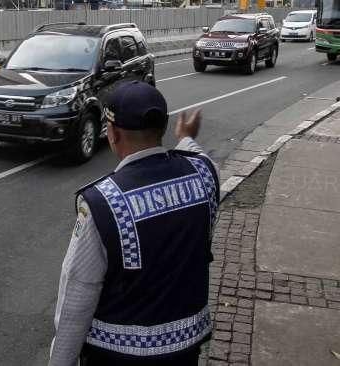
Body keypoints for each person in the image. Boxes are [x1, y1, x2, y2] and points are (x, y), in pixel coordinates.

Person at [49, 81, 219, 366]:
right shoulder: (205, 175)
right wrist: (187, 138)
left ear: (113, 134)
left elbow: (76, 299)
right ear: (162, 129)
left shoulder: (103, 203)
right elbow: (197, 154)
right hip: (185, 350)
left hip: (119, 357)